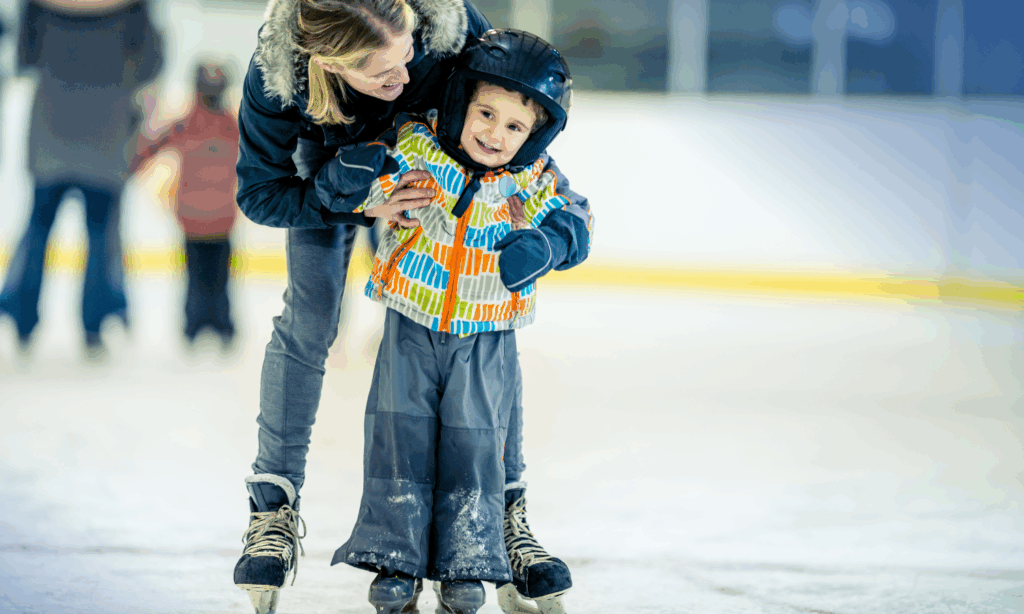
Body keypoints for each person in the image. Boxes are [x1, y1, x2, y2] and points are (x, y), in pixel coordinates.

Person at [230, 2, 591, 613]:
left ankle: (504, 514)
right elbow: (261, 193)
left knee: (486, 326)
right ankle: (274, 507)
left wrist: (547, 228)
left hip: (433, 152)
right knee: (310, 320)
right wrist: (351, 203)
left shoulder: (448, 26)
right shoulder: (279, 78)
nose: (402, 77)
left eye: (409, 58)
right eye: (381, 73)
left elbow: (512, 105)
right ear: (327, 63)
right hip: (331, 172)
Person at [326, 29, 585, 614]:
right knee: (400, 439)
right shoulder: (421, 150)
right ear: (461, 103)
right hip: (410, 325)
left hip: (485, 335)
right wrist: (353, 173)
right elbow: (366, 181)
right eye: (486, 113)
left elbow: (578, 220)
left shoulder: (532, 181)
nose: (495, 134)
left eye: (514, 126)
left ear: (534, 134)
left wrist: (547, 245)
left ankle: (466, 563)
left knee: (473, 446)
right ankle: (396, 560)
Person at [0, 0, 163, 353]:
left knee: (38, 228)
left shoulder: (38, 6)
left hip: (51, 129)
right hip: (106, 132)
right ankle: (95, 323)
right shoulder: (134, 7)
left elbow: (24, 57)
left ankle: (22, 318)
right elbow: (151, 64)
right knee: (102, 235)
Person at [132, 60, 240, 347]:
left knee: (197, 276)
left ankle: (196, 325)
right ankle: (220, 325)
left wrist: (129, 165)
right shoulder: (231, 126)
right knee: (219, 277)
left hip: (194, 217)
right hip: (219, 218)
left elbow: (148, 148)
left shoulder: (187, 124)